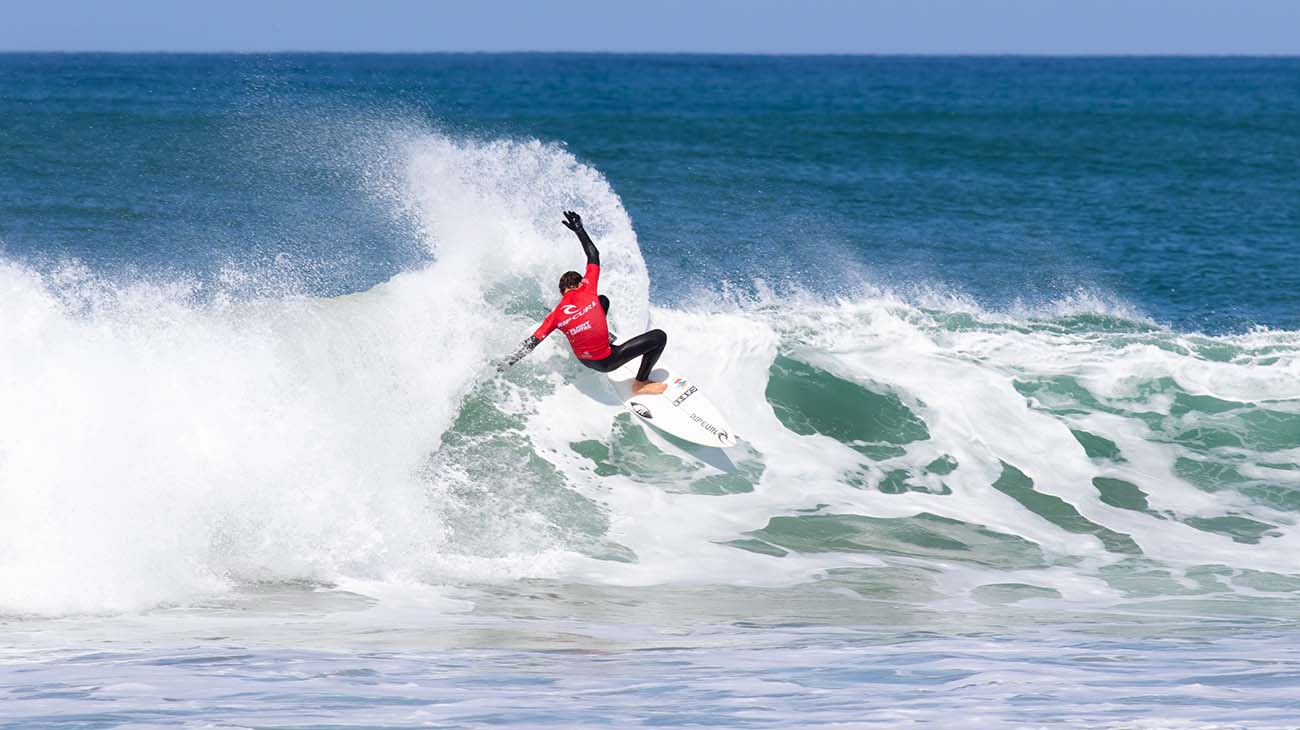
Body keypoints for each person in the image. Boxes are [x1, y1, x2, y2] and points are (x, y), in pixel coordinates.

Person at [498, 211, 668, 395]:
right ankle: (641, 383)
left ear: (562, 291)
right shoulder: (586, 288)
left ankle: (599, 336)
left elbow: (531, 342)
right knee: (659, 337)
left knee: (602, 301)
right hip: (606, 361)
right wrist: (579, 229)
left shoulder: (555, 314)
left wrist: (509, 361)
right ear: (579, 283)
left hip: (584, 359)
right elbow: (593, 255)